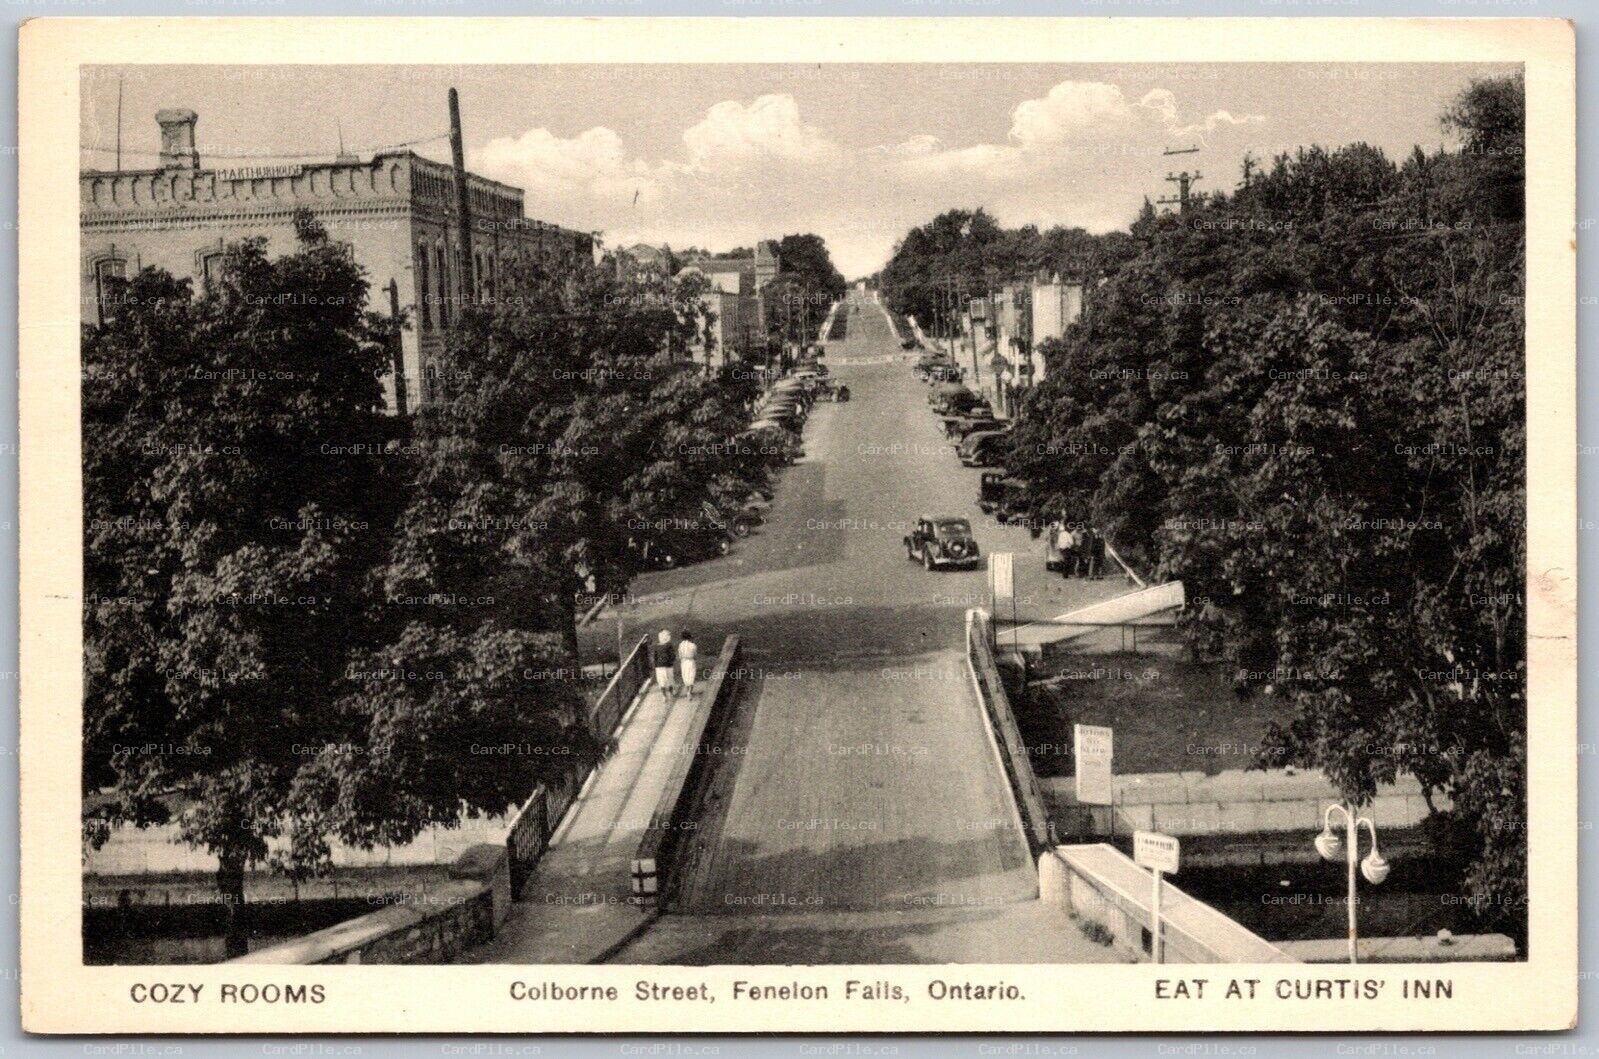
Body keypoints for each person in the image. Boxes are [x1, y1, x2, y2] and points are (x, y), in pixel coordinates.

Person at [651, 629, 676, 698]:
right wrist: (671, 662)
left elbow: (654, 657)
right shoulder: (669, 645)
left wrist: (656, 665)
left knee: (661, 681)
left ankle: (664, 695)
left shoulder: (656, 647)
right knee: (669, 680)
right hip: (668, 665)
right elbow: (673, 656)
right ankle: (671, 693)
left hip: (659, 666)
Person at [676, 630, 699, 701]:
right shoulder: (693, 645)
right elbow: (695, 656)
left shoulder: (680, 645)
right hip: (691, 661)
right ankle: (689, 692)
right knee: (691, 676)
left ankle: (687, 691)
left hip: (684, 662)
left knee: (685, 676)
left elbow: (680, 656)